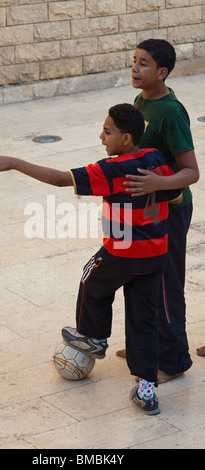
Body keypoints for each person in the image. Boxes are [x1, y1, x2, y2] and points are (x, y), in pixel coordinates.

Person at [0, 103, 182, 415]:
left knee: (91, 277)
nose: (101, 136)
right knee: (144, 322)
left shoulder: (111, 169)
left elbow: (61, 179)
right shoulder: (155, 158)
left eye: (108, 131)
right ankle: (146, 390)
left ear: (126, 139)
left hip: (123, 252)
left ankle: (93, 337)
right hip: (155, 254)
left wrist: (15, 162)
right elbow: (176, 193)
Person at [115, 39, 200, 384]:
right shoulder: (142, 101)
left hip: (171, 210)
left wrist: (154, 185)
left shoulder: (170, 112)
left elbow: (191, 171)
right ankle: (144, 346)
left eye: (144, 64)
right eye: (134, 61)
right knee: (141, 278)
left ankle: (174, 360)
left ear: (162, 72)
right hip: (146, 212)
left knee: (166, 284)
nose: (135, 68)